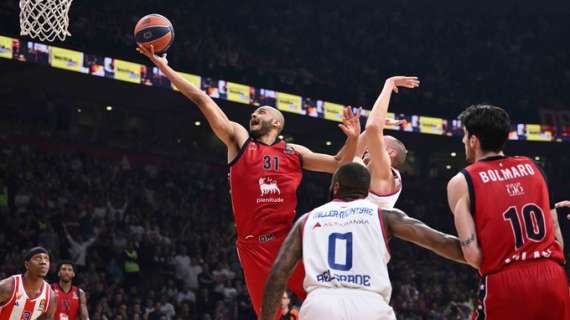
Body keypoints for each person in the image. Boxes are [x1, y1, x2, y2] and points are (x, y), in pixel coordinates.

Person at [136, 45, 361, 316]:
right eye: (254, 113)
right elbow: (201, 99)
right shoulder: (240, 141)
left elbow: (338, 164)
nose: (254, 115)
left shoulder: (294, 152)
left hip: (288, 240)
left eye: (262, 112)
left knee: (329, 300)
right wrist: (163, 66)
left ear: (277, 123)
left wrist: (353, 138)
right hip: (253, 246)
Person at [260, 162, 465, 320]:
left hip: (320, 305)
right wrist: (488, 257)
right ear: (367, 191)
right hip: (370, 305)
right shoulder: (385, 216)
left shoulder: (308, 219)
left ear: (336, 186)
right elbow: (441, 242)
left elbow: (278, 273)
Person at [447, 104, 569, 319]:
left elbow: (473, 255)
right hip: (553, 277)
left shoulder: (462, 181)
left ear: (474, 140)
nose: (463, 141)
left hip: (506, 282)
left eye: (465, 136)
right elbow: (558, 238)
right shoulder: (535, 168)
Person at [360, 76, 419, 209]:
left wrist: (389, 84)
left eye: (380, 143)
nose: (369, 147)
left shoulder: (385, 173)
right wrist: (378, 126)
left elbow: (373, 128)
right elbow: (352, 156)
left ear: (390, 153)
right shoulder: (368, 169)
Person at [0, 247, 57, 319]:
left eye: (46, 259)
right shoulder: (8, 286)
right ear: (27, 265)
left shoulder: (51, 296)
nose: (43, 262)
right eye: (38, 258)